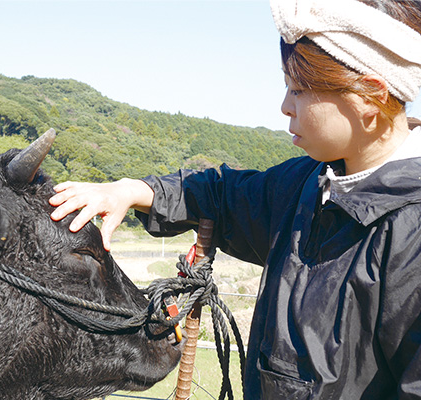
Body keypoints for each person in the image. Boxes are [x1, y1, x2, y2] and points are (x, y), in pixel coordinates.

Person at [50, 0, 421, 398]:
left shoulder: (410, 227)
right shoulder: (305, 184)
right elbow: (220, 193)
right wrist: (131, 190)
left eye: (299, 89)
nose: (285, 106)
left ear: (370, 95)